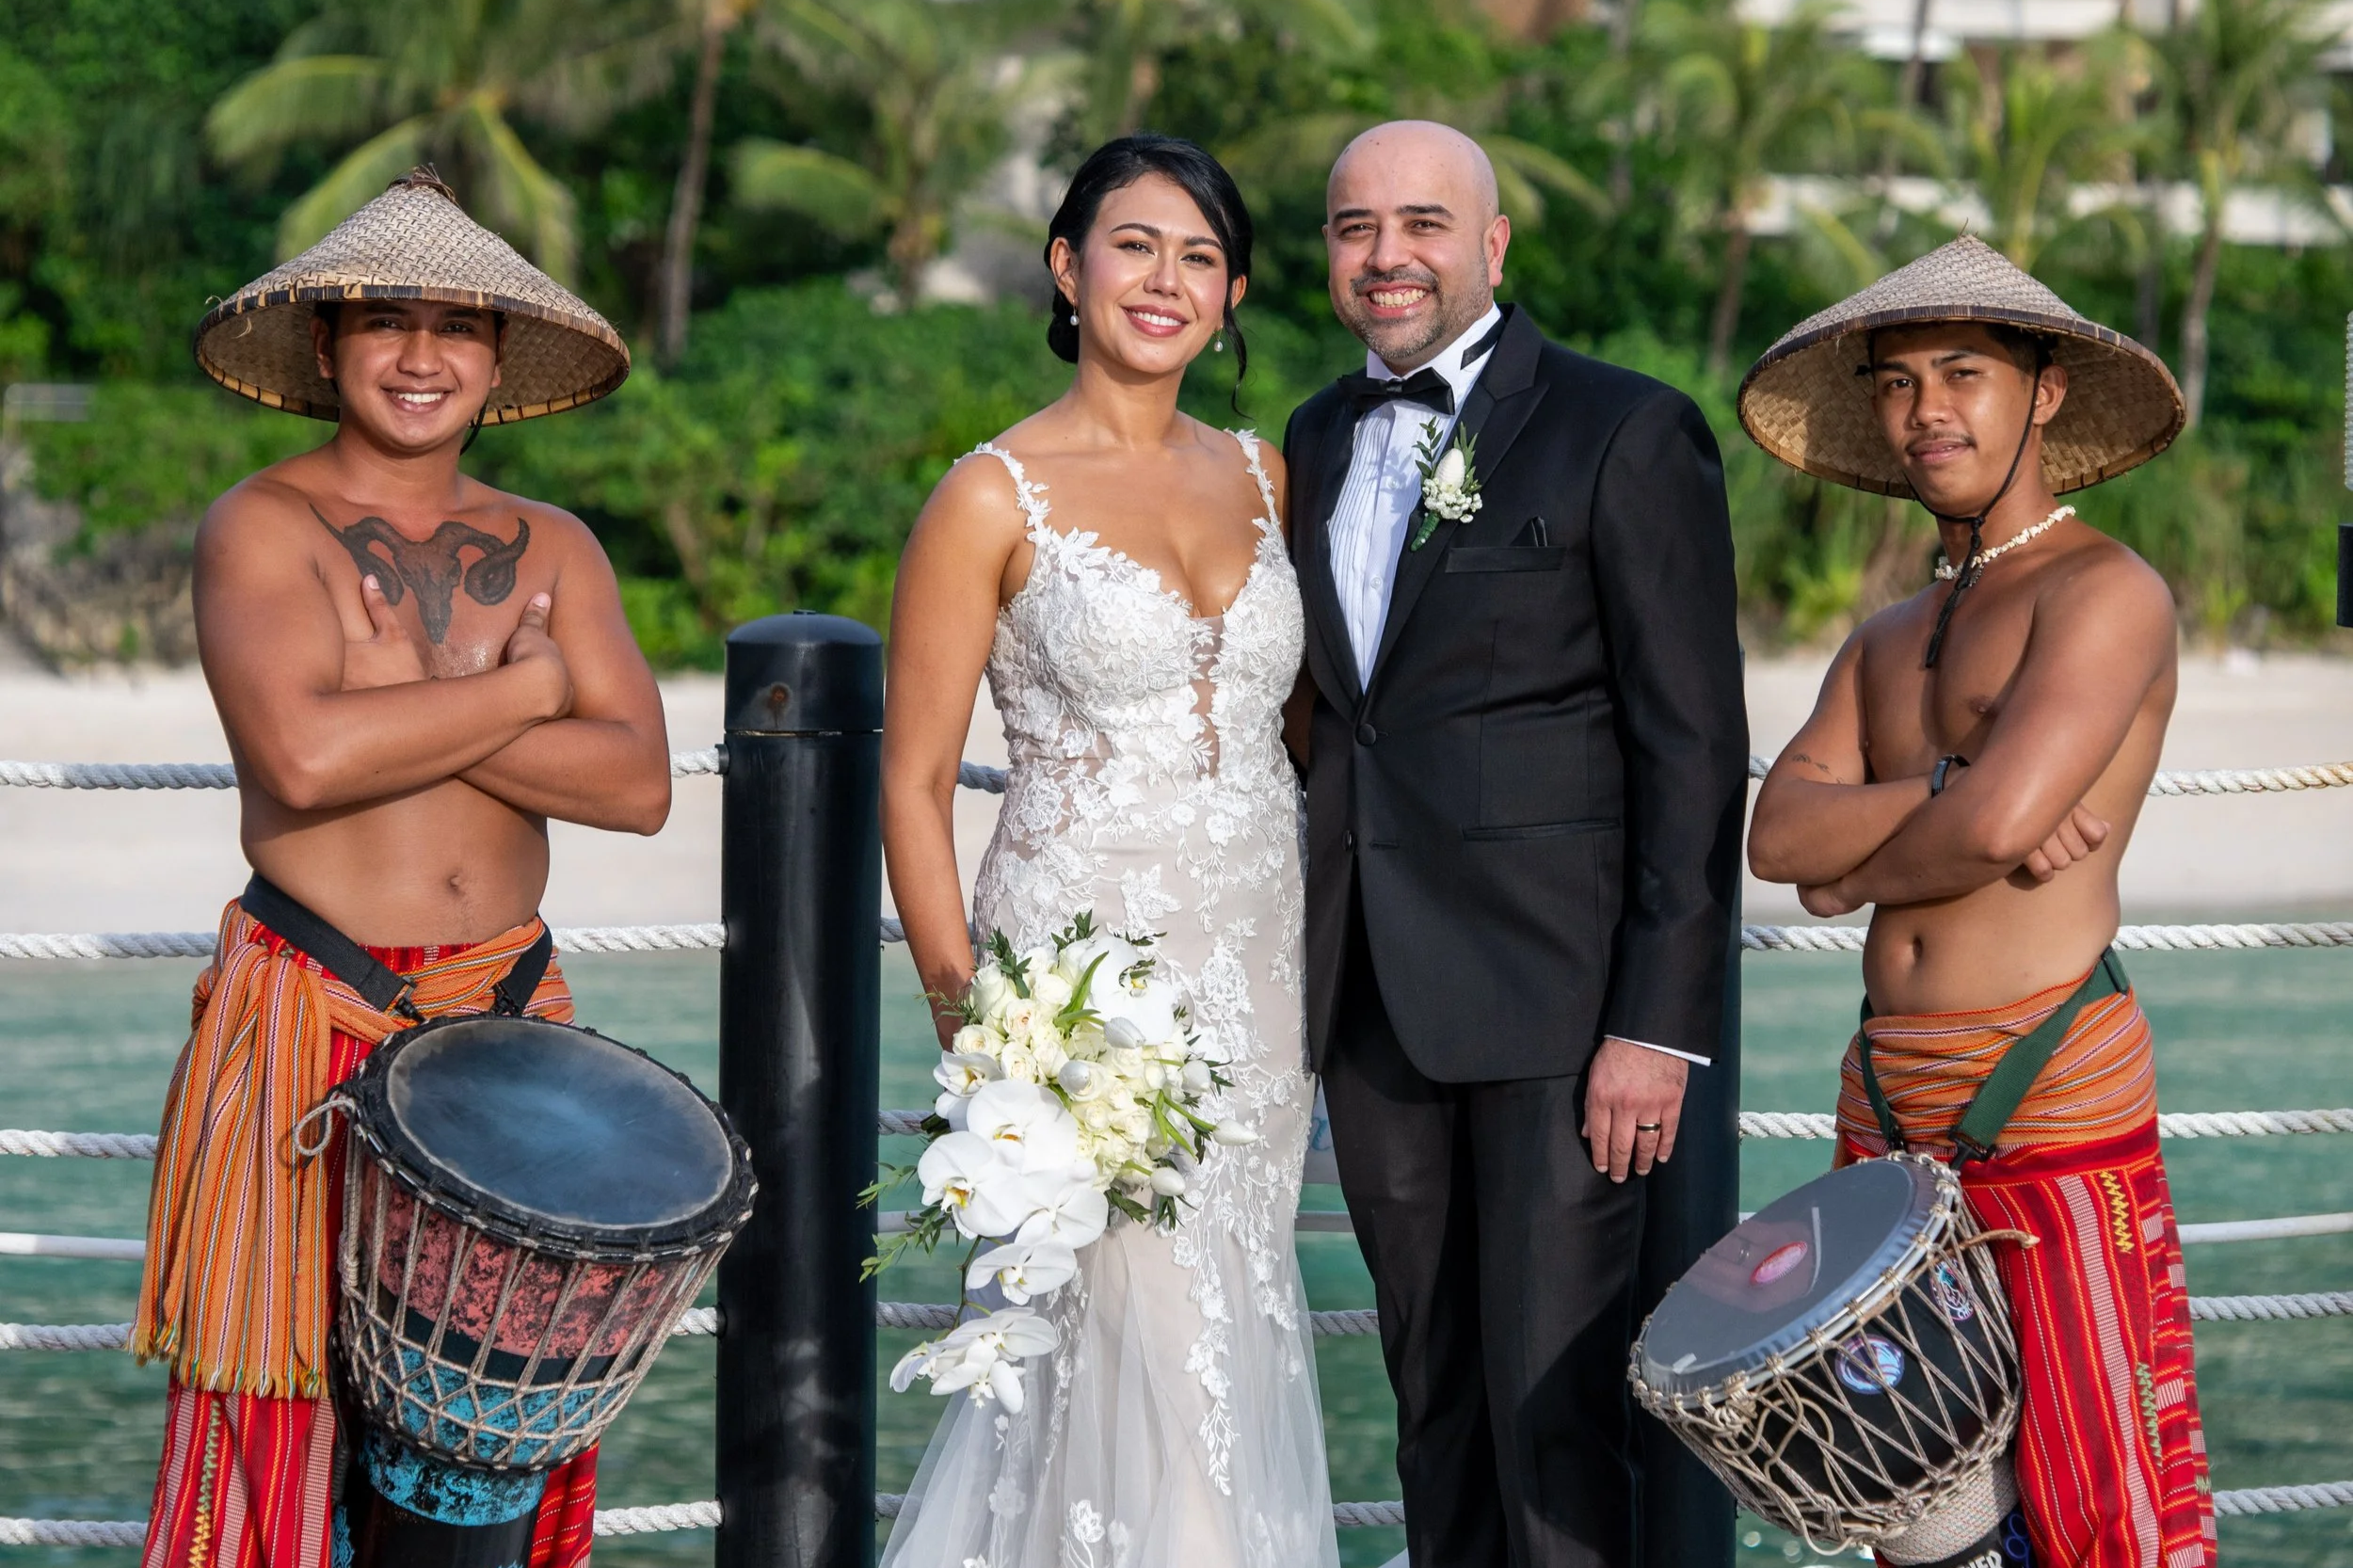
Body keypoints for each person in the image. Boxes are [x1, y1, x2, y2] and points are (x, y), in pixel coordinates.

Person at [135, 168, 668, 1568]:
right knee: (275, 1407)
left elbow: (636, 784)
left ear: (497, 359)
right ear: (325, 346)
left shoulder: (558, 544)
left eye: (458, 326)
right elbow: (307, 759)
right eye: (386, 321)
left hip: (509, 1018)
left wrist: (408, 705)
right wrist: (522, 687)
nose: (421, 355)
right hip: (312, 1005)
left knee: (494, 1427)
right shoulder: (263, 524)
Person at [1284, 120, 1748, 1567]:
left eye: (1422, 223)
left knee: (1555, 1406)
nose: (1387, 256)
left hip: (1562, 1011)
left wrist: (1655, 1025)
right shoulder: (1311, 436)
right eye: (1355, 228)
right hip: (1369, 998)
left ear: (1491, 245)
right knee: (1431, 1401)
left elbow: (1693, 747)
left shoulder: (1626, 427)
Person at [879, 135, 1338, 1565]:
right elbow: (913, 785)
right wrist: (977, 1034)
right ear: (1068, 268)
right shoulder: (988, 495)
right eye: (1135, 245)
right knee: (1143, 1339)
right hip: (1079, 989)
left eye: (1201, 257)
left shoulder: (1268, 474)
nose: (1165, 280)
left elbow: (1313, 733)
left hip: (1260, 976)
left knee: (1229, 1324)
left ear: (1234, 294)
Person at [1742, 235, 2213, 1567]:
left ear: (2044, 392)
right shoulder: (1884, 636)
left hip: (2045, 1082)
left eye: (1964, 374)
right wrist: (1949, 788)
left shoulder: (2106, 591)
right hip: (1888, 1102)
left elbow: (1997, 832)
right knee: (1915, 1499)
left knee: (2097, 1490)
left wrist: (1857, 863)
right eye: (1897, 383)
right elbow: (1777, 836)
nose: (1926, 410)